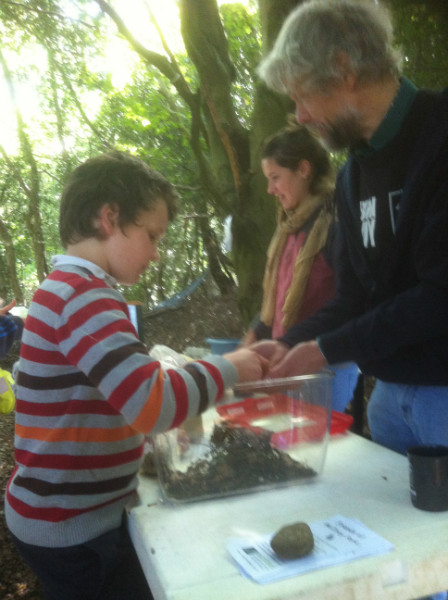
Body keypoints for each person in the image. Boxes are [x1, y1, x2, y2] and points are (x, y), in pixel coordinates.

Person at [4, 150, 266, 600]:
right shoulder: (82, 296)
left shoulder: (67, 289)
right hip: (72, 530)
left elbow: (104, 396)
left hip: (79, 516)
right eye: (151, 235)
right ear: (109, 218)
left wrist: (140, 441)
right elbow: (152, 402)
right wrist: (229, 367)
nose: (157, 253)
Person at [256, 1, 448, 459]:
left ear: (343, 69)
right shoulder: (351, 175)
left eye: (302, 95)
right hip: (388, 400)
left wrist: (324, 349)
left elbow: (440, 294)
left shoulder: (439, 137)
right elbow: (354, 299)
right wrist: (283, 345)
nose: (299, 115)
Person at [241, 122, 359, 412]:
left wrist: (292, 342)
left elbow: (350, 302)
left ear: (304, 170)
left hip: (327, 368)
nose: (270, 189)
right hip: (287, 359)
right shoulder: (288, 227)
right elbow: (278, 299)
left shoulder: (336, 221)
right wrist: (255, 334)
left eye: (275, 177)